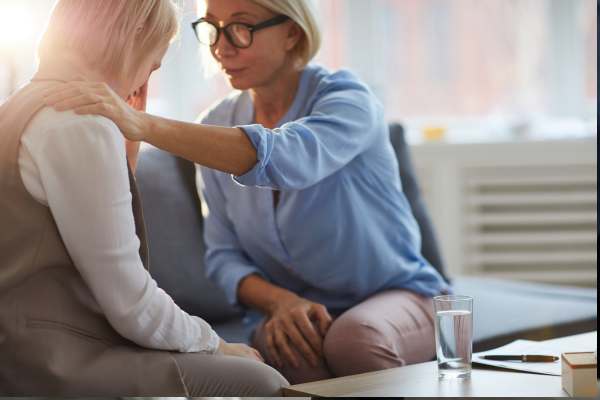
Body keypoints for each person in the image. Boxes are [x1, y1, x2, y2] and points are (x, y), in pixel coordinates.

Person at [44, 0, 452, 385]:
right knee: (293, 356)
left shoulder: (347, 99)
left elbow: (290, 159)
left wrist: (140, 123)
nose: (222, 46)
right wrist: (281, 303)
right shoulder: (218, 123)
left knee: (354, 339)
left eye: (240, 27)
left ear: (291, 33)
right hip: (298, 310)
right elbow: (223, 256)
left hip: (397, 295)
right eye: (213, 28)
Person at [0, 0, 287, 395]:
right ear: (130, 41)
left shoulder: (15, 109)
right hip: (54, 363)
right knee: (264, 382)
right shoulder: (80, 124)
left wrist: (126, 147)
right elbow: (131, 305)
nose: (141, 85)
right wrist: (218, 345)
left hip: (17, 348)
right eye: (151, 65)